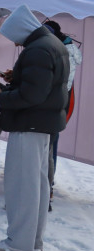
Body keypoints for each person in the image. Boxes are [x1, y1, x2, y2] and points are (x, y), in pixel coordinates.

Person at [0, 5, 69, 251]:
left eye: (15, 38)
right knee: (37, 184)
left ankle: (19, 242)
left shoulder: (38, 50)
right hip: (43, 123)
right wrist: (18, 79)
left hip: (29, 123)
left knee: (23, 184)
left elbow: (33, 95)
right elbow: (43, 86)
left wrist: (2, 94)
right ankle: (31, 239)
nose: (16, 43)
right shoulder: (51, 44)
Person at [43, 20, 82, 202]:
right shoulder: (69, 49)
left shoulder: (60, 51)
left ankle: (45, 188)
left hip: (53, 103)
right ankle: (46, 187)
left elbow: (59, 83)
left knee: (48, 147)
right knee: (51, 146)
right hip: (60, 104)